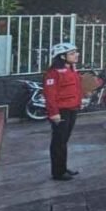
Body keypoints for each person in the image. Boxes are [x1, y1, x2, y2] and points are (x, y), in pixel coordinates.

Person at [45, 42, 82, 181]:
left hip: (72, 109)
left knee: (64, 141)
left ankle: (63, 168)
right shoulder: (53, 73)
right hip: (61, 112)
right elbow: (50, 95)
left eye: (75, 52)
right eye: (72, 53)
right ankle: (58, 172)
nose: (76, 55)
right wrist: (54, 113)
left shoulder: (72, 70)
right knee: (58, 142)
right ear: (62, 57)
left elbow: (76, 89)